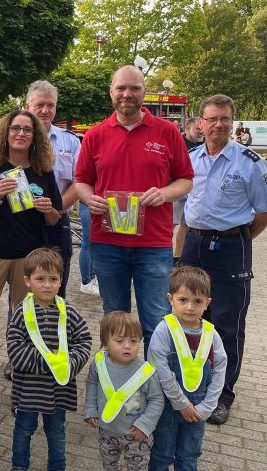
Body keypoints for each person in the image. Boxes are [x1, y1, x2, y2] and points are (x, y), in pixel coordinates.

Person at [75, 65, 194, 351]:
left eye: (134, 88)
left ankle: (157, 389)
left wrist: (164, 193)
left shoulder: (167, 132)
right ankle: (117, 385)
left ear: (144, 92)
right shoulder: (95, 134)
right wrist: (88, 198)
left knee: (156, 320)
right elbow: (81, 180)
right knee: (114, 319)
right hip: (107, 243)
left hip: (152, 244)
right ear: (111, 93)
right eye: (121, 88)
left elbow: (185, 180)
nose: (127, 94)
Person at [181, 94, 267, 425]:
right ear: (201, 123)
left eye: (224, 119)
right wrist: (180, 254)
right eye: (212, 119)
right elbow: (184, 213)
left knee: (227, 324)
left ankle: (223, 395)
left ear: (232, 123)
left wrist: (241, 238)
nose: (218, 124)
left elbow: (266, 213)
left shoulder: (249, 163)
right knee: (188, 317)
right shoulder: (191, 159)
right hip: (194, 245)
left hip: (231, 247)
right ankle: (189, 382)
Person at [0, 109, 62, 324]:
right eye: (16, 128)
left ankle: (21, 357)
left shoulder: (43, 172)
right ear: (6, 132)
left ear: (35, 137)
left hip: (30, 257)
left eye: (27, 130)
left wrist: (48, 209)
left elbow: (54, 219)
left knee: (27, 319)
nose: (21, 133)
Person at [7, 247, 92, 471]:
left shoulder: (69, 312)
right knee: (23, 430)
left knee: (56, 432)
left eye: (53, 279)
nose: (47, 285)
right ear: (27, 281)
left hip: (58, 391)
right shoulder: (20, 313)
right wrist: (51, 362)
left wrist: (70, 362)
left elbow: (84, 341)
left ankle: (57, 466)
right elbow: (14, 349)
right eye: (40, 279)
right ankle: (19, 466)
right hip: (28, 391)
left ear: (61, 280)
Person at [147, 267, 226, 471]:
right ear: (171, 299)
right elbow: (159, 368)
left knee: (190, 455)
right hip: (168, 407)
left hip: (199, 411)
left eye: (198, 301)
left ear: (207, 303)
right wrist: (181, 403)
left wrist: (207, 406)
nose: (190, 307)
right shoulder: (164, 329)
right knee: (162, 454)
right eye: (183, 300)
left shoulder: (211, 334)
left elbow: (220, 370)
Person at [84, 311, 163, 471]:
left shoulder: (146, 372)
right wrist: (91, 409)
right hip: (106, 431)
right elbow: (92, 384)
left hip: (136, 435)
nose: (127, 346)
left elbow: (157, 399)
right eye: (120, 341)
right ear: (105, 342)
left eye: (134, 341)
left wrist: (145, 425)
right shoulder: (99, 363)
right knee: (109, 466)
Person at [25, 80, 81, 298]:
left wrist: (55, 210)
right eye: (40, 105)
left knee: (57, 291)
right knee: (23, 291)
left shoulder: (70, 142)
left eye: (51, 105)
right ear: (27, 106)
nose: (46, 110)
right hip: (23, 224)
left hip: (58, 223)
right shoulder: (16, 140)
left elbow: (80, 181)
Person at [172, 117, 203, 265]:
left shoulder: (203, 145)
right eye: (197, 128)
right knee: (170, 224)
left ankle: (178, 257)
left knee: (186, 225)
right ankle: (162, 253)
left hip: (193, 192)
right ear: (188, 128)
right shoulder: (177, 143)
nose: (200, 132)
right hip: (175, 191)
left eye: (201, 128)